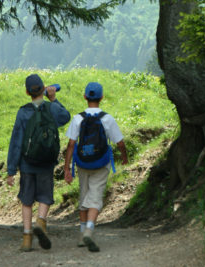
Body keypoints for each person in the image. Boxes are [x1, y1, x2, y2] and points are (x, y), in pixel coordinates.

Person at [7, 74, 70, 252]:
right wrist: (54, 99)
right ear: (44, 88)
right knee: (45, 196)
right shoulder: (52, 109)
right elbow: (66, 117)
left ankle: (27, 239)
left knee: (26, 200)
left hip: (27, 164)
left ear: (27, 92)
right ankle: (41, 220)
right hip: (46, 163)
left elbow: (16, 141)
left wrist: (11, 169)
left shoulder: (23, 112)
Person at [64, 82, 128, 252]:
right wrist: (124, 157)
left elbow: (71, 145)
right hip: (101, 163)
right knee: (95, 197)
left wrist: (66, 168)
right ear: (101, 97)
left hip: (83, 163)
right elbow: (120, 143)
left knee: (84, 194)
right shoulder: (107, 118)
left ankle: (80, 235)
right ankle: (89, 230)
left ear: (85, 97)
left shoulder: (78, 118)